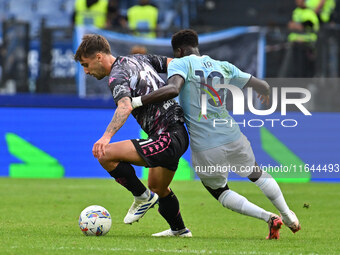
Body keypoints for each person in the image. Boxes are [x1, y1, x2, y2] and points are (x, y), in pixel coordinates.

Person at [131, 29, 301, 239]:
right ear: (196, 46)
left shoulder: (181, 63)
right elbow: (262, 85)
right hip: (233, 136)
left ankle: (268, 217)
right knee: (256, 173)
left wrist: (137, 101)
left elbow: (173, 89)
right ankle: (287, 215)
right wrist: (264, 92)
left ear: (179, 50)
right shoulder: (223, 66)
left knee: (219, 190)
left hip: (206, 145)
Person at [74, 34, 191, 237]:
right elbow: (176, 64)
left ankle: (142, 197)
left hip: (167, 136)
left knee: (105, 154)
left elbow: (125, 106)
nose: (86, 71)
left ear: (99, 57)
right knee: (158, 186)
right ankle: (179, 230)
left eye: (86, 64)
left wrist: (106, 137)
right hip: (174, 133)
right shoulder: (138, 59)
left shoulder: (117, 76)